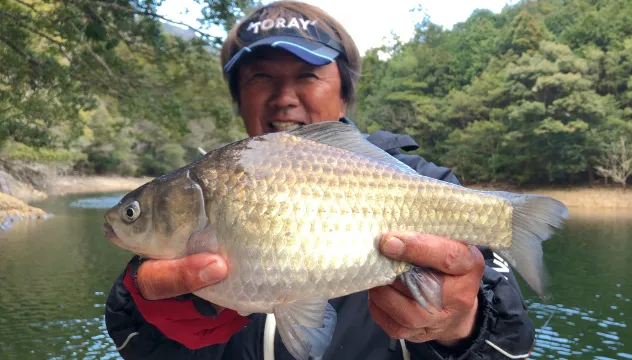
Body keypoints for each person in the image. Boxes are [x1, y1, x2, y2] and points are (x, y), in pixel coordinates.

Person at [105, 1, 536, 359]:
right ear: (238, 99)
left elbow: (512, 347)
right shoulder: (210, 182)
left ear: (346, 92)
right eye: (261, 77)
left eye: (307, 75)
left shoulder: (427, 183)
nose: (284, 97)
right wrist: (149, 308)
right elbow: (136, 345)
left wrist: (462, 325)